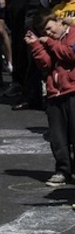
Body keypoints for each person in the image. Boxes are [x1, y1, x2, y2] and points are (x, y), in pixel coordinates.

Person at [26, 11, 75, 187]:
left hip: (72, 90)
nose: (48, 33)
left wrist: (51, 43)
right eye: (44, 32)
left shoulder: (72, 33)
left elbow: (71, 55)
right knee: (58, 136)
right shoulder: (47, 42)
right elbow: (45, 64)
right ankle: (63, 170)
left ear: (58, 21)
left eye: (49, 28)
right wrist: (36, 46)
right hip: (55, 92)